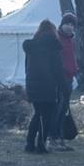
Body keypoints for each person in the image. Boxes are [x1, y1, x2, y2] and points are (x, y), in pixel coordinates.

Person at [22, 19, 66, 154]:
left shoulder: (31, 47)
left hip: (33, 84)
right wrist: (63, 87)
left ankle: (30, 143)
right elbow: (57, 69)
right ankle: (41, 143)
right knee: (47, 116)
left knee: (38, 114)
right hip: (48, 85)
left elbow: (26, 67)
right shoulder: (53, 46)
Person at [52, 12, 79, 151]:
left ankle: (60, 137)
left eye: (72, 24)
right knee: (57, 108)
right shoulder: (57, 38)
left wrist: (75, 70)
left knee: (64, 110)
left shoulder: (71, 40)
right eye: (67, 24)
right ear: (62, 24)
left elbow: (71, 58)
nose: (69, 27)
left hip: (69, 78)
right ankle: (53, 137)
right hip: (59, 79)